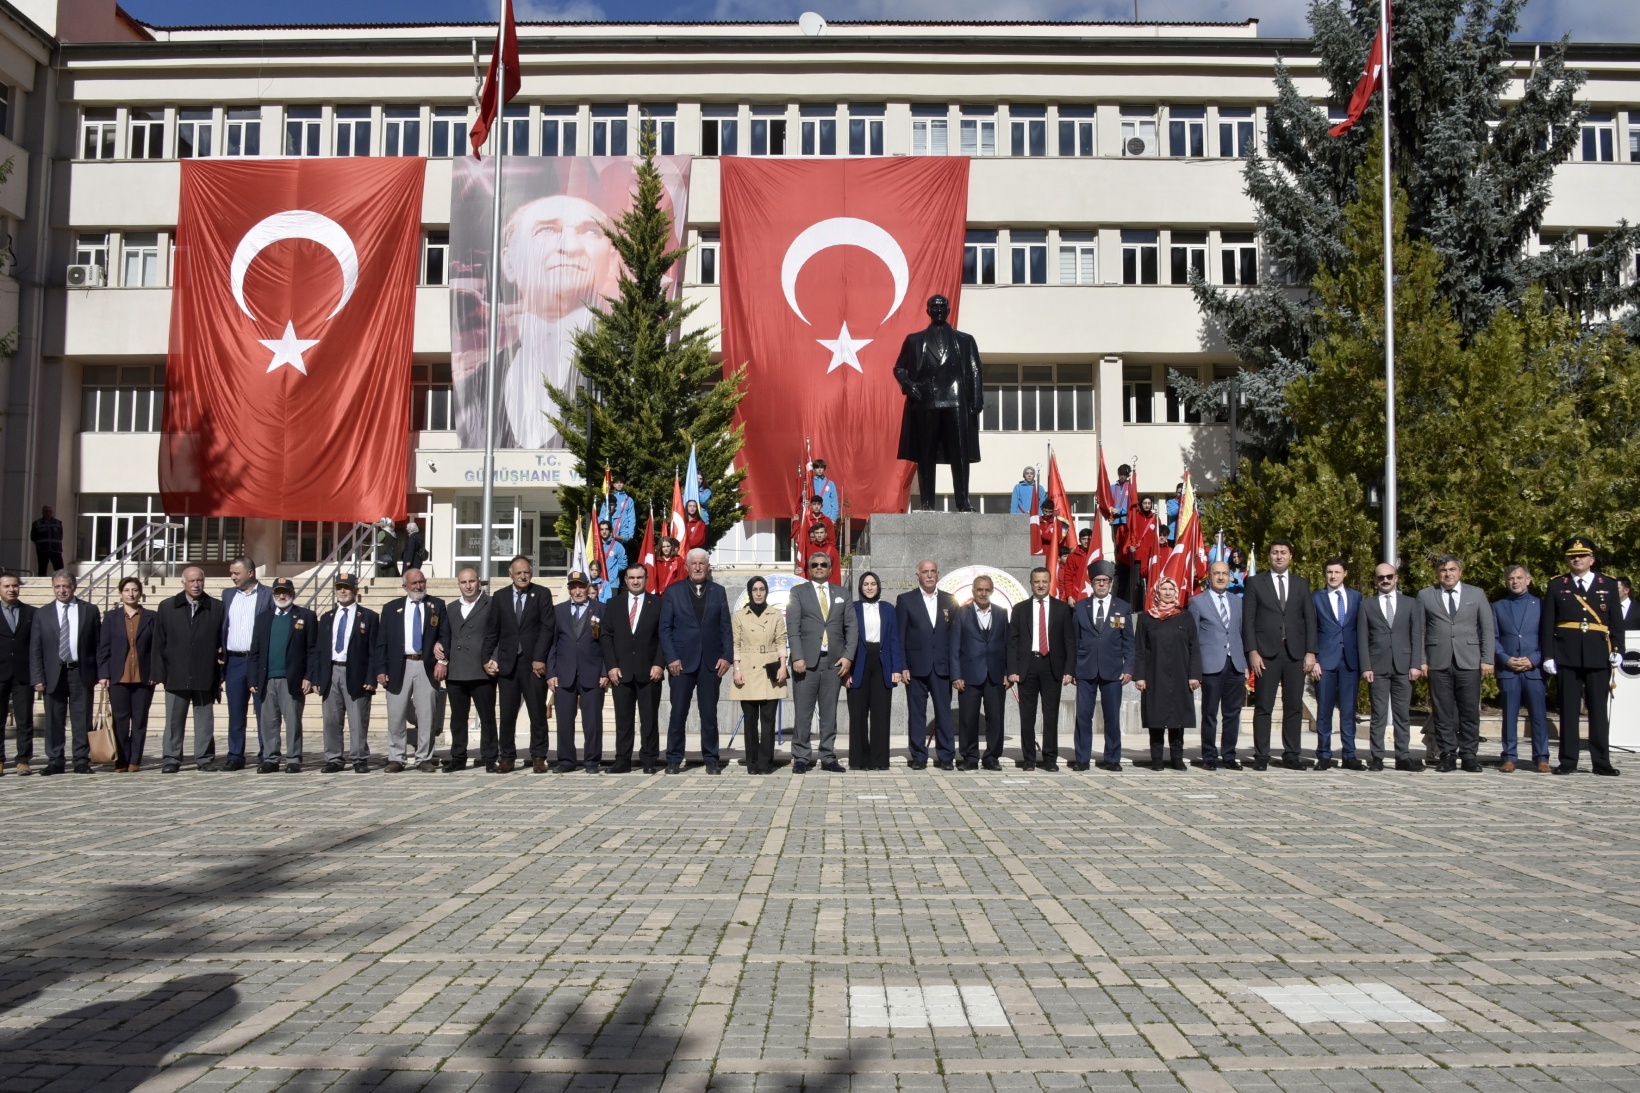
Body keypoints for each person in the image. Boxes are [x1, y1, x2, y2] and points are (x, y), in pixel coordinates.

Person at [454, 192, 621, 449]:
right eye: (546, 231)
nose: (570, 247)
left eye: (590, 232)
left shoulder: (626, 368)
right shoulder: (475, 387)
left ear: (611, 263)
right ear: (508, 261)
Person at [1541, 536, 1625, 776]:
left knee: (1598, 710)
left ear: (1592, 559)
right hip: (1566, 654)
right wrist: (1548, 655)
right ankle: (1568, 760)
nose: (1576, 559)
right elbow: (1548, 623)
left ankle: (1601, 761)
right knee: (1568, 709)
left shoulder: (1607, 584)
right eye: (1572, 556)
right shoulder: (1557, 584)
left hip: (1598, 653)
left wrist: (1617, 649)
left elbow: (1615, 622)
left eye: (1581, 555)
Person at [893, 294, 985, 511]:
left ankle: (963, 502)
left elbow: (975, 370)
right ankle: (927, 503)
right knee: (926, 453)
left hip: (956, 400)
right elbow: (899, 368)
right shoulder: (914, 340)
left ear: (949, 309)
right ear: (928, 311)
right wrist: (909, 384)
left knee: (960, 453)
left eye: (943, 306)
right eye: (934, 307)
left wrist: (977, 398)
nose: (939, 309)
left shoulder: (965, 340)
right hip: (927, 400)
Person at [1241, 539, 1316, 771]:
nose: (1279, 557)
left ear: (1290, 556)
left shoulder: (1301, 584)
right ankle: (1261, 755)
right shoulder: (1255, 582)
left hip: (1294, 653)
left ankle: (1292, 754)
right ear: (1269, 556)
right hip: (1266, 654)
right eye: (1275, 553)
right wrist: (1252, 652)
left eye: (1283, 553)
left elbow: (1310, 620)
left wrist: (1311, 652)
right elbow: (1248, 620)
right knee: (1264, 706)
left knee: (1293, 706)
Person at [1417, 554, 1495, 773]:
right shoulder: (1425, 595)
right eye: (1443, 570)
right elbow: (1419, 632)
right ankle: (1447, 754)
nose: (1447, 574)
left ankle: (1469, 755)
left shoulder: (1476, 594)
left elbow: (1487, 628)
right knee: (1443, 712)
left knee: (1469, 710)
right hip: (1438, 661)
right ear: (1437, 573)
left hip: (1468, 660)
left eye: (1452, 569)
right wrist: (1421, 660)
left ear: (1460, 571)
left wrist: (1487, 658)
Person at [659, 548, 734, 774]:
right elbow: (665, 629)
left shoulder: (718, 592)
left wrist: (727, 656)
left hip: (711, 663)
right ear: (687, 567)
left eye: (702, 563)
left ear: (708, 567)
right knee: (678, 712)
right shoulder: (673, 592)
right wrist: (671, 657)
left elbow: (725, 628)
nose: (698, 567)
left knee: (709, 713)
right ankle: (673, 758)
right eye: (694, 564)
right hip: (681, 663)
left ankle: (711, 758)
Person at [374, 568, 449, 773]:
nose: (419, 586)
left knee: (427, 714)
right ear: (404, 586)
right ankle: (396, 757)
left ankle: (424, 757)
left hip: (426, 664)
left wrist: (442, 661)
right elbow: (381, 642)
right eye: (414, 583)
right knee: (396, 714)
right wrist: (380, 668)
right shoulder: (391, 608)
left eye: (422, 582)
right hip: (399, 665)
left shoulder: (437, 605)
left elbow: (445, 635)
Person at [787, 552, 856, 773]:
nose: (818, 567)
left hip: (833, 663)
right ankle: (801, 756)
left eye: (823, 565)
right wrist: (797, 656)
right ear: (809, 568)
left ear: (829, 567)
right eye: (814, 564)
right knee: (803, 713)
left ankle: (827, 756)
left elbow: (851, 628)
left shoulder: (842, 593)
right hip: (805, 663)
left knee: (829, 713)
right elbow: (793, 627)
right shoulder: (798, 592)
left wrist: (848, 656)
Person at [153, 566, 224, 774]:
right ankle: (172, 758)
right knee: (174, 720)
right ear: (183, 582)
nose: (196, 584)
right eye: (192, 581)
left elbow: (222, 640)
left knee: (204, 721)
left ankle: (204, 758)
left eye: (200, 580)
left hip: (204, 672)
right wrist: (159, 673)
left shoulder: (216, 607)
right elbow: (160, 641)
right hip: (176, 672)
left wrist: (221, 664)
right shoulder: (167, 607)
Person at [247, 577, 322, 774]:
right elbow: (255, 651)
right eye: (278, 592)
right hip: (267, 678)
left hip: (293, 679)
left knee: (293, 721)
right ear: (273, 595)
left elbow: (313, 650)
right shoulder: (263, 618)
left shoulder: (305, 616)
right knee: (269, 722)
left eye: (286, 592)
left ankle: (294, 758)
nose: (282, 596)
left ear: (293, 594)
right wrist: (252, 678)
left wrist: (309, 676)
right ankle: (271, 758)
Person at [29, 571, 101, 775]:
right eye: (57, 587)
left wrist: (99, 672)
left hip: (81, 672)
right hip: (53, 674)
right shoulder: (42, 614)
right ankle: (55, 760)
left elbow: (97, 644)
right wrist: (37, 677)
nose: (61, 590)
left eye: (66, 586)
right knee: (53, 718)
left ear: (74, 586)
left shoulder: (89, 610)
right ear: (53, 588)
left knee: (82, 718)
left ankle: (80, 759)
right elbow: (36, 649)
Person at [1357, 563, 1426, 772]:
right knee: (1378, 715)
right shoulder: (1366, 605)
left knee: (1402, 714)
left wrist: (1416, 664)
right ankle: (1376, 757)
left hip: (1404, 666)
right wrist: (1366, 666)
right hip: (1377, 666)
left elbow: (1417, 635)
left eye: (1389, 576)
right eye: (1380, 578)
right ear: (1375, 580)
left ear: (1396, 577)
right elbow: (1362, 638)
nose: (1385, 581)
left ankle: (1402, 757)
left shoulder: (1410, 603)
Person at [1006, 566, 1075, 771]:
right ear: (1031, 583)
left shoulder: (1062, 609)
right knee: (1027, 716)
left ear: (1050, 582)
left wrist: (1069, 670)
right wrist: (1012, 669)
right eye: (1037, 581)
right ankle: (1028, 759)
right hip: (1027, 666)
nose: (1041, 585)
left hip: (1052, 666)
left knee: (1050, 715)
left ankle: (1050, 759)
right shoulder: (1020, 609)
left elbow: (1069, 641)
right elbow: (1012, 641)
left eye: (1044, 581)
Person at [602, 563, 666, 773]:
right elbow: (606, 636)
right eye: (632, 578)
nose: (636, 581)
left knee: (649, 719)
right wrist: (611, 666)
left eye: (640, 577)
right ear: (625, 580)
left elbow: (663, 637)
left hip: (649, 672)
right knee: (623, 720)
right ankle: (622, 760)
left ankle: (649, 760)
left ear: (646, 579)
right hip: (621, 672)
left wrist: (659, 663)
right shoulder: (613, 604)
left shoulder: (658, 604)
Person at [1071, 560, 1135, 772]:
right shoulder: (1080, 607)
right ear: (1091, 583)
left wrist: (1128, 669)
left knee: (1112, 717)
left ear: (1110, 582)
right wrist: (1071, 670)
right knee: (1083, 716)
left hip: (1113, 670)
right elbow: (1074, 641)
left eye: (1105, 581)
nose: (1101, 584)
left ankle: (1112, 758)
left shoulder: (1122, 607)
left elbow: (1129, 642)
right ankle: (1082, 758)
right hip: (1085, 669)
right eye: (1097, 581)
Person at [897, 559, 959, 770]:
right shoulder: (905, 600)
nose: (930, 575)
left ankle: (946, 756)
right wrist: (902, 665)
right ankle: (919, 757)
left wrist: (955, 669)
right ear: (918, 576)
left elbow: (954, 638)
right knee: (916, 714)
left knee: (944, 713)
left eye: (933, 571)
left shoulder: (951, 600)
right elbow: (900, 636)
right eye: (925, 572)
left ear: (938, 574)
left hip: (942, 668)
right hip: (915, 668)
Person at [494, 555, 555, 773]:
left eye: (526, 572)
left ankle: (539, 756)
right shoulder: (499, 597)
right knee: (507, 714)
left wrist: (539, 658)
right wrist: (489, 659)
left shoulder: (541, 594)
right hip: (508, 665)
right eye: (518, 572)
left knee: (537, 713)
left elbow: (547, 628)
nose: (523, 576)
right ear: (510, 574)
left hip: (533, 665)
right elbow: (493, 632)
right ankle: (507, 757)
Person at [1134, 577, 1201, 770]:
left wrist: (1194, 674)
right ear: (1157, 591)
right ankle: (1156, 759)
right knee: (1156, 717)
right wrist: (1140, 676)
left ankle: (1177, 759)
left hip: (1180, 675)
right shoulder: (1146, 617)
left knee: (1178, 718)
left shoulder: (1185, 617)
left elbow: (1194, 647)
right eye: (1164, 588)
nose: (1168, 592)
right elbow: (1139, 649)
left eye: (1172, 588)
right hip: (1154, 676)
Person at [318, 573, 379, 775]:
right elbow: (319, 650)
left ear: (356, 590)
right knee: (331, 719)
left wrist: (372, 678)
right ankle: (334, 758)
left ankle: (359, 758)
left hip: (356, 673)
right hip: (332, 671)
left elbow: (374, 651)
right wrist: (319, 677)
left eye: (347, 587)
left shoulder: (369, 617)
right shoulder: (327, 617)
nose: (343, 591)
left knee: (358, 719)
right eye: (339, 587)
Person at [1188, 561, 1246, 770]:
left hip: (1235, 664)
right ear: (1209, 577)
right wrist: (1193, 670)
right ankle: (1209, 756)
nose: (1221, 577)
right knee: (1210, 714)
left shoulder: (1238, 602)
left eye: (1224, 574)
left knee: (1233, 714)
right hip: (1211, 665)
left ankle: (1229, 755)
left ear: (1230, 577)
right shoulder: (1197, 602)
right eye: (1216, 574)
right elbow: (1192, 638)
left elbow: (1241, 632)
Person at [1492, 565, 1549, 774]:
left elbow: (1546, 637)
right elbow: (1493, 638)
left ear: (1528, 580)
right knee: (1509, 714)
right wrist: (1505, 659)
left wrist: (1534, 659)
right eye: (1510, 578)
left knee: (1538, 715)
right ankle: (1509, 756)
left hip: (1533, 669)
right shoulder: (1498, 606)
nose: (1514, 581)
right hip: (1509, 669)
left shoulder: (1541, 606)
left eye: (1519, 577)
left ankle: (1541, 757)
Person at [97, 576, 157, 773]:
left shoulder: (151, 617)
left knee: (139, 721)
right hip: (118, 677)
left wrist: (156, 672)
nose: (131, 594)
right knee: (120, 720)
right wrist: (104, 673)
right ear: (120, 593)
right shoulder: (111, 617)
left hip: (143, 677)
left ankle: (135, 760)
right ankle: (121, 759)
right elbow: (103, 648)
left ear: (140, 593)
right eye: (127, 590)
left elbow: (157, 648)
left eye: (135, 590)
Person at [549, 571, 607, 773]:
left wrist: (605, 671)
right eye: (573, 587)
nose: (577, 591)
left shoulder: (600, 609)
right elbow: (552, 644)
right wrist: (551, 672)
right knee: (564, 721)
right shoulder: (558, 611)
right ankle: (566, 761)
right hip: (565, 674)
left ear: (588, 588)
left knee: (592, 722)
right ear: (569, 590)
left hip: (592, 673)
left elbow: (607, 644)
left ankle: (592, 762)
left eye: (581, 586)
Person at [443, 566, 499, 772]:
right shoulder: (450, 608)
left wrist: (495, 659)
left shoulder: (491, 604)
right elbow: (444, 635)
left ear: (479, 582)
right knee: (458, 718)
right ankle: (458, 757)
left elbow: (500, 635)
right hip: (456, 670)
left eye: (471, 581)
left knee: (487, 717)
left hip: (482, 670)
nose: (468, 586)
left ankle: (490, 757)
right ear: (458, 584)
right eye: (463, 582)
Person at [1309, 557, 1363, 771]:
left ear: (1345, 574)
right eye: (1329, 572)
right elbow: (1311, 629)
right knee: (1324, 711)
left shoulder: (1357, 597)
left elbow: (1360, 629)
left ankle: (1349, 754)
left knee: (1349, 710)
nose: (1332, 576)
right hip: (1326, 661)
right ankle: (1324, 754)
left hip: (1350, 661)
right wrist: (1313, 658)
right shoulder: (1316, 598)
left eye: (1337, 572)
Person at [732, 575, 788, 775]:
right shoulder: (739, 615)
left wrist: (783, 666)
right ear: (749, 592)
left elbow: (781, 641)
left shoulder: (775, 614)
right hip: (747, 668)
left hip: (770, 667)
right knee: (750, 720)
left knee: (768, 719)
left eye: (762, 589)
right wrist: (736, 669)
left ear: (766, 591)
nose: (758, 593)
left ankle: (766, 763)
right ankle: (752, 763)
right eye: (754, 589)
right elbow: (736, 643)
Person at [220, 556, 272, 771]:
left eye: (236, 573)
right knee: (236, 710)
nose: (232, 577)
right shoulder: (228, 595)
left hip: (258, 660)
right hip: (234, 660)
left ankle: (266, 754)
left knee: (263, 710)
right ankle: (235, 755)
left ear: (250, 573)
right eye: (231, 573)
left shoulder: (268, 594)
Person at [847, 571, 903, 772]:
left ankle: (879, 760)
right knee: (858, 714)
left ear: (878, 586)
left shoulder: (888, 609)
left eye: (873, 584)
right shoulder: (853, 608)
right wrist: (846, 671)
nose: (869, 587)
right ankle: (859, 760)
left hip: (882, 662)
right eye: (865, 584)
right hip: (858, 663)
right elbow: (847, 640)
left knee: (881, 713)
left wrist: (897, 667)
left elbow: (895, 639)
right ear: (860, 587)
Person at [953, 574, 1007, 771]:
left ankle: (992, 757)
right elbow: (954, 646)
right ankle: (969, 757)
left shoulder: (1002, 613)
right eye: (979, 589)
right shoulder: (961, 613)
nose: (983, 593)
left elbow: (1007, 644)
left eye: (987, 590)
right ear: (973, 591)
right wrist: (956, 675)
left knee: (996, 718)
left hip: (995, 674)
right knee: (968, 718)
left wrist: (1008, 672)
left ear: (992, 591)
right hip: (969, 674)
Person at [0, 573, 37, 775]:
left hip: (24, 674)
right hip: (1, 673)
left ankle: (23, 759)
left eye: (14, 585)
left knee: (24, 719)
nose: (11, 589)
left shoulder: (31, 613)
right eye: (6, 586)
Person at [600, 474, 637, 544]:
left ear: (624, 485)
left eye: (621, 483)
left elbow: (631, 517)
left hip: (623, 531)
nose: (619, 485)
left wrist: (630, 534)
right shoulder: (609, 498)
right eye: (617, 483)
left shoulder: (629, 500)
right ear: (613, 485)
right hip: (609, 528)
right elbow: (602, 513)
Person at [30, 506, 63, 577]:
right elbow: (33, 537)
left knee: (59, 568)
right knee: (42, 568)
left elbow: (60, 536)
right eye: (46, 511)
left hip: (56, 549)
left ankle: (61, 581)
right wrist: (39, 545)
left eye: (50, 511)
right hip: (42, 549)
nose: (48, 513)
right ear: (42, 512)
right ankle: (41, 583)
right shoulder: (36, 523)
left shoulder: (58, 523)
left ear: (52, 512)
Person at [599, 521, 628, 597]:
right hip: (598, 582)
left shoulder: (618, 546)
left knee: (611, 607)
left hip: (612, 584)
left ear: (610, 531)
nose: (604, 531)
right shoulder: (596, 546)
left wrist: (613, 571)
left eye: (606, 529)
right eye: (601, 529)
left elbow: (623, 564)